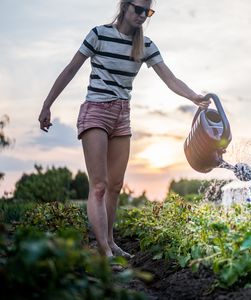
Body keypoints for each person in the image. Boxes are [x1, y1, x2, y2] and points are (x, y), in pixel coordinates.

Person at [38, 0, 210, 258]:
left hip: (122, 116)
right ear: (124, 7)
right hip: (95, 110)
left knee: (115, 186)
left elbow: (170, 78)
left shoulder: (146, 46)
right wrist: (47, 104)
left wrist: (194, 97)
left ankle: (110, 242)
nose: (142, 15)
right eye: (138, 9)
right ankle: (104, 251)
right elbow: (71, 69)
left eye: (147, 11)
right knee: (98, 185)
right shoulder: (98, 34)